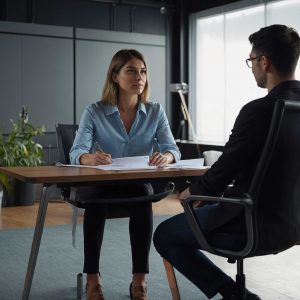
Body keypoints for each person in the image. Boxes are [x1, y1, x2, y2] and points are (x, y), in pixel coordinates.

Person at [153, 24, 300, 300]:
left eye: (251, 61)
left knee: (164, 234)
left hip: (249, 222)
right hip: (294, 222)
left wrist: (193, 192)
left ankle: (234, 294)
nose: (252, 67)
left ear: (264, 62)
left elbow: (226, 168)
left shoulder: (258, 110)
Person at [70, 49, 180, 300]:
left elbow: (172, 149)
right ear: (115, 76)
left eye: (143, 71)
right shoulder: (94, 111)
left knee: (143, 198)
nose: (139, 77)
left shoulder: (155, 111)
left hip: (135, 184)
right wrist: (89, 157)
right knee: (95, 201)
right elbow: (76, 151)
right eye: (131, 70)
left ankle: (139, 281)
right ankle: (92, 280)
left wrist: (167, 157)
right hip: (101, 184)